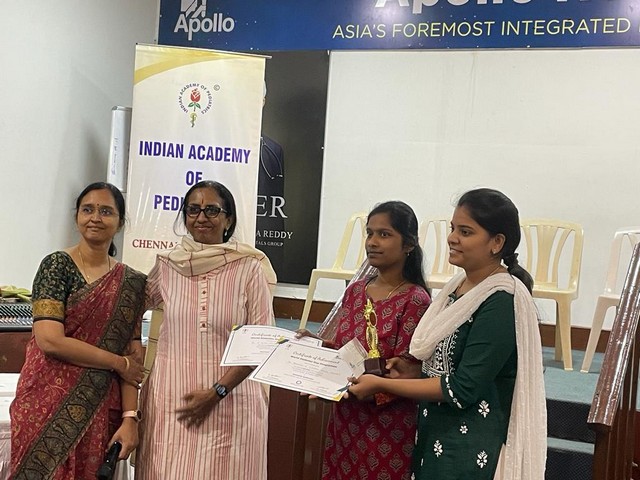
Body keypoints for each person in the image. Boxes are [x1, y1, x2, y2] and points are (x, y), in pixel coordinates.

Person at [348, 188, 547, 480]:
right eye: (453, 229)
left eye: (465, 232)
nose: (452, 238)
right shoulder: (458, 288)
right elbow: (446, 362)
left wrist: (383, 384)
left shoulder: (501, 300)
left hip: (471, 450)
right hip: (435, 437)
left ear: (497, 242)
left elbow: (462, 388)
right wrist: (413, 370)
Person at [136, 180, 277, 480]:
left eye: (212, 210)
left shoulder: (249, 268)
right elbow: (129, 308)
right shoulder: (167, 266)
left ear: (228, 219)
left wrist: (217, 392)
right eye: (193, 210)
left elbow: (261, 343)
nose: (201, 217)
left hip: (231, 404)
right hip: (172, 402)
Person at [10, 182, 146, 479]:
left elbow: (133, 361)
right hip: (44, 403)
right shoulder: (56, 266)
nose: (95, 217)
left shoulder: (132, 283)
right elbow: (50, 340)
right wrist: (117, 363)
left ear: (120, 222)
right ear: (76, 217)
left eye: (106, 211)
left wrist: (130, 418)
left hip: (99, 408)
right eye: (88, 209)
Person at [312, 201, 431, 480]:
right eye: (369, 233)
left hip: (388, 425)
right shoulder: (355, 291)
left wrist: (372, 386)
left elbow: (409, 371)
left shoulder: (415, 300)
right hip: (345, 419)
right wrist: (311, 347)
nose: (372, 242)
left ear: (409, 244)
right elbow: (344, 348)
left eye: (384, 234)